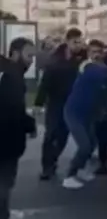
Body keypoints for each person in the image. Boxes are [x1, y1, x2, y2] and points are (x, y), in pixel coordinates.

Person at [62, 40, 107, 190]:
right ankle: (69, 176)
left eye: (99, 52)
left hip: (87, 115)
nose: (97, 55)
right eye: (93, 52)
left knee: (92, 142)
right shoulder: (88, 67)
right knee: (85, 146)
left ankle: (80, 170)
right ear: (88, 54)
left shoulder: (100, 67)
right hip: (74, 113)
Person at [33, 26, 84, 180]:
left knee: (63, 135)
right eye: (75, 42)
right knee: (50, 134)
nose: (79, 45)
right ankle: (46, 167)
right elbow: (45, 83)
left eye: (80, 42)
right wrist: (38, 103)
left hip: (71, 103)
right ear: (67, 41)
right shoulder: (55, 59)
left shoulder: (82, 57)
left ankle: (53, 159)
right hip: (55, 102)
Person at [0, 38, 37, 219]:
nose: (31, 60)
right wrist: (29, 125)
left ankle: (4, 216)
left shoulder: (7, 72)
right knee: (4, 180)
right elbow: (13, 110)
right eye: (28, 55)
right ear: (15, 53)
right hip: (5, 138)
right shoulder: (12, 76)